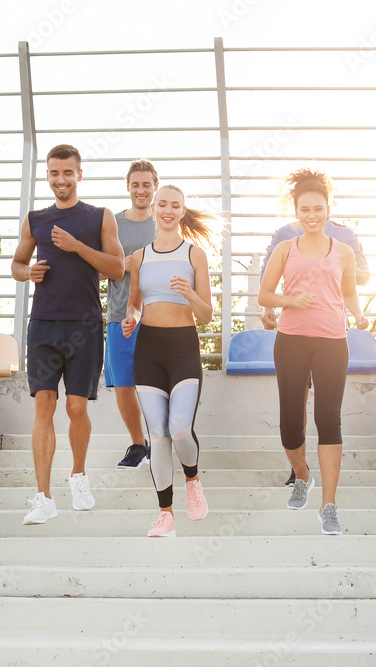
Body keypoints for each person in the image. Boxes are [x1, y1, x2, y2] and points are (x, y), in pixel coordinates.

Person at [11, 144, 125, 525]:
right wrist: (28, 273)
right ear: (48, 175)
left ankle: (78, 474)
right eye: (54, 173)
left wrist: (77, 247)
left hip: (85, 324)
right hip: (43, 323)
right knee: (44, 403)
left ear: (79, 174)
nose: (61, 180)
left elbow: (117, 268)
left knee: (76, 408)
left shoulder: (99, 217)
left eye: (68, 173)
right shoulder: (35, 219)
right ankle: (43, 497)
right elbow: (16, 263)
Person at [258, 167, 369, 536]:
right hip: (290, 340)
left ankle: (329, 506)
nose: (312, 215)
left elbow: (349, 290)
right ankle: (303, 475)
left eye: (318, 208)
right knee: (291, 423)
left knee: (328, 419)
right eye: (305, 209)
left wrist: (358, 313)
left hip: (333, 343)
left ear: (328, 208)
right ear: (296, 211)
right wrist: (289, 299)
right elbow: (265, 294)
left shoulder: (344, 251)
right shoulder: (284, 248)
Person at [122, 184, 218, 537]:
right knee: (158, 435)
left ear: (182, 211)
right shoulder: (139, 256)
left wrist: (189, 292)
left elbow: (207, 314)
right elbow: (133, 302)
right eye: (162, 203)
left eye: (174, 205)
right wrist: (130, 318)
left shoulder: (195, 254)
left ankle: (192, 479)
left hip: (182, 347)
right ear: (153, 208)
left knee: (179, 428)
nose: (167, 209)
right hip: (148, 348)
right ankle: (166, 514)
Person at [105, 160, 159, 468]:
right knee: (124, 384)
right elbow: (95, 272)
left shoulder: (164, 221)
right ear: (128, 186)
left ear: (154, 186)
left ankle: (162, 441)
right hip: (120, 315)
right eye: (135, 184)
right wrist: (120, 266)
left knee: (157, 383)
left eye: (146, 184)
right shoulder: (112, 224)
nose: (141, 190)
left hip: (160, 316)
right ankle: (139, 445)